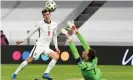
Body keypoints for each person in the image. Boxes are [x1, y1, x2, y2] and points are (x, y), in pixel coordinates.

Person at [12, 9, 60, 80]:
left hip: (46, 47)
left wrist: (56, 47)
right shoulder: (40, 23)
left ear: (50, 14)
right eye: (44, 15)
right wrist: (22, 40)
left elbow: (55, 36)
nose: (46, 16)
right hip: (39, 45)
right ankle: (15, 74)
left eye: (47, 14)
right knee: (29, 60)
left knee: (56, 56)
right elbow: (31, 32)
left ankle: (46, 73)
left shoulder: (54, 24)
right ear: (43, 16)